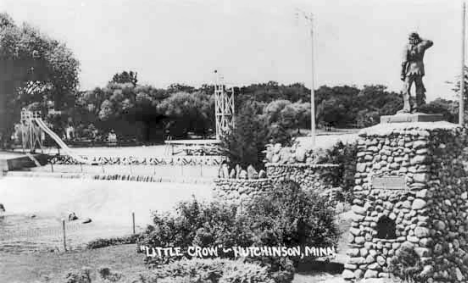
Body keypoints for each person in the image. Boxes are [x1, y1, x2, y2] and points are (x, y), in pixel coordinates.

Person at [400, 32, 433, 113]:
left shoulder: (407, 47)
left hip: (411, 68)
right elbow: (430, 42)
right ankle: (418, 105)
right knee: (419, 86)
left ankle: (407, 106)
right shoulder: (422, 45)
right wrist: (420, 38)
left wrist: (402, 72)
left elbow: (404, 61)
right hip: (419, 67)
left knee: (406, 87)